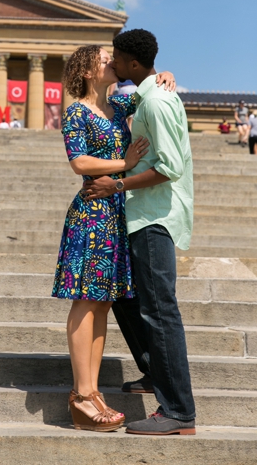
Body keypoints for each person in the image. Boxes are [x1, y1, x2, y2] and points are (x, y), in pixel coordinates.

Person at [52, 44, 176, 432]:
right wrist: (124, 164)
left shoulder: (122, 105)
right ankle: (82, 394)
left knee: (103, 304)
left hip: (117, 211)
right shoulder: (76, 111)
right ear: (87, 71)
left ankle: (91, 392)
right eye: (104, 57)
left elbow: (152, 87)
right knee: (86, 301)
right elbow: (79, 162)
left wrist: (165, 76)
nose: (112, 60)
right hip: (92, 212)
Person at [83, 29, 197, 436]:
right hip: (140, 214)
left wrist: (117, 184)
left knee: (160, 311)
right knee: (129, 302)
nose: (111, 63)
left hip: (154, 217)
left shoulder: (158, 102)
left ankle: (179, 411)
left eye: (116, 57)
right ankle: (154, 371)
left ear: (133, 64)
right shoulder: (146, 95)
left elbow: (169, 168)